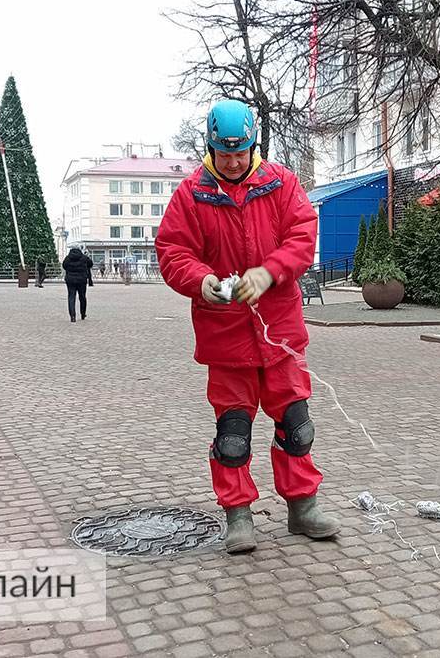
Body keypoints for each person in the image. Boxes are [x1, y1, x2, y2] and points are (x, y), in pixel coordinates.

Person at [156, 99, 339, 554]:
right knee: (233, 434)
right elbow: (173, 252)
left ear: (253, 146)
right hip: (226, 339)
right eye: (225, 154)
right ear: (211, 148)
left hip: (279, 333)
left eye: (241, 154)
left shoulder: (281, 183)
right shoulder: (191, 194)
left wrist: (270, 271)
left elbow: (302, 236)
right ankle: (238, 515)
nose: (233, 162)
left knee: (297, 425)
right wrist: (204, 284)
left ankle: (302, 507)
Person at [61, 247, 91, 322]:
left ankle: (72, 316)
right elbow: (90, 264)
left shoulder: (68, 258)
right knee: (82, 297)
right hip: (82, 280)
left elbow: (64, 266)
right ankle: (83, 313)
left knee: (71, 297)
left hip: (70, 280)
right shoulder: (84, 258)